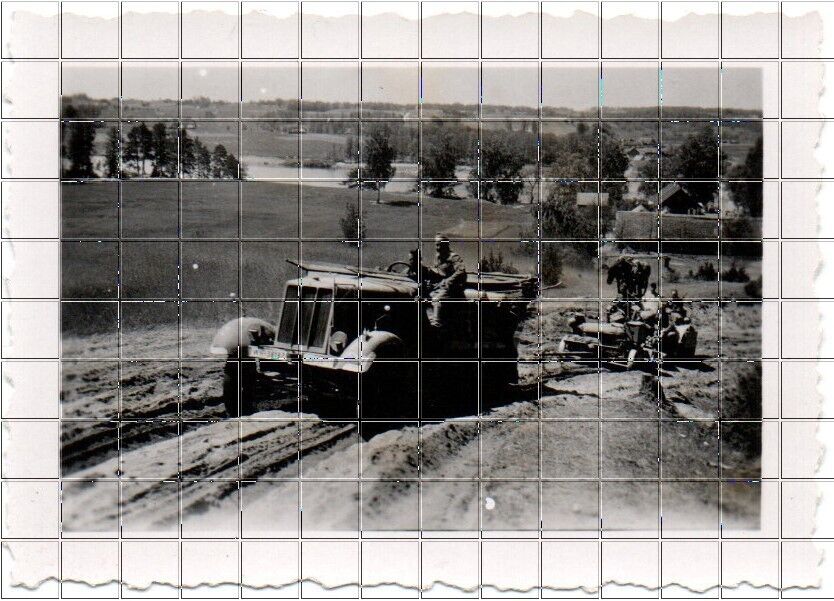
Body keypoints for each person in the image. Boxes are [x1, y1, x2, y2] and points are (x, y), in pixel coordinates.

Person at [426, 233, 467, 328]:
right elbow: (437, 272)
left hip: (453, 288)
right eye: (436, 245)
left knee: (437, 299)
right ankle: (429, 321)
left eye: (440, 245)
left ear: (446, 245)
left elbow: (461, 271)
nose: (438, 247)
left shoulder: (453, 257)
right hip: (441, 287)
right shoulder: (438, 257)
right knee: (425, 297)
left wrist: (448, 280)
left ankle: (436, 324)